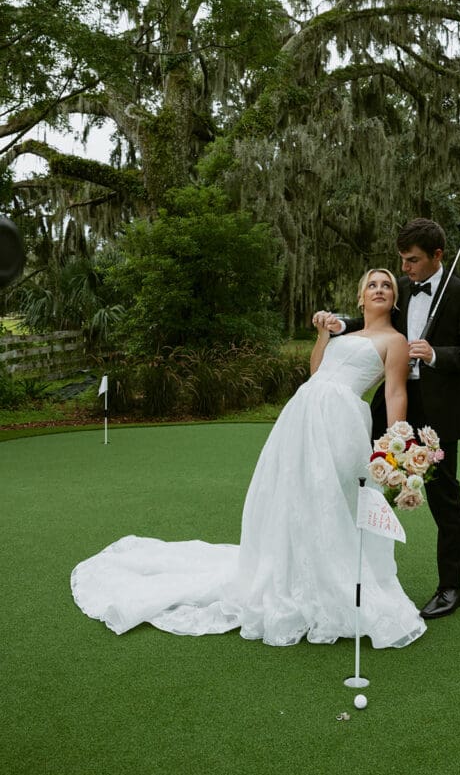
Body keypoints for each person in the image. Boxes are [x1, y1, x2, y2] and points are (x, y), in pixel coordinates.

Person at [71, 269, 426, 648]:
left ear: (394, 298)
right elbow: (316, 371)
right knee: (294, 495)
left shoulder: (395, 341)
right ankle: (293, 577)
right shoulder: (347, 333)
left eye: (386, 285)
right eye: (372, 284)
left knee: (331, 498)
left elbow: (394, 394)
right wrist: (323, 334)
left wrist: (393, 448)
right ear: (360, 297)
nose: (379, 289)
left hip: (340, 422)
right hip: (302, 414)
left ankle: (333, 583)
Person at [317, 218, 460, 620]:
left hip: (439, 409)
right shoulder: (405, 288)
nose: (405, 269)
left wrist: (435, 354)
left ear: (437, 256)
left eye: (412, 261)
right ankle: (358, 573)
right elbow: (379, 320)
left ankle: (451, 587)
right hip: (393, 400)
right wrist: (345, 324)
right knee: (368, 479)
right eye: (403, 261)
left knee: (444, 495)